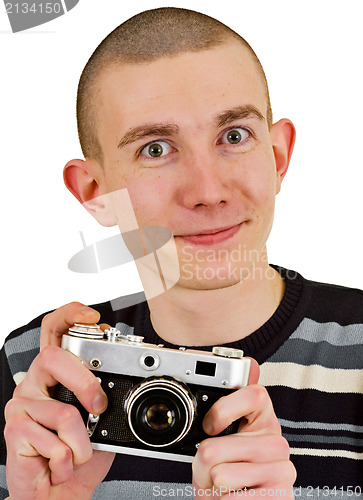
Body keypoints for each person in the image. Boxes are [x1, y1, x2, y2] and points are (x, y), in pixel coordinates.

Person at [1, 6, 362, 500]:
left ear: (277, 157)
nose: (207, 191)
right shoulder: (33, 377)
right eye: (155, 149)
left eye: (234, 136)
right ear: (93, 191)